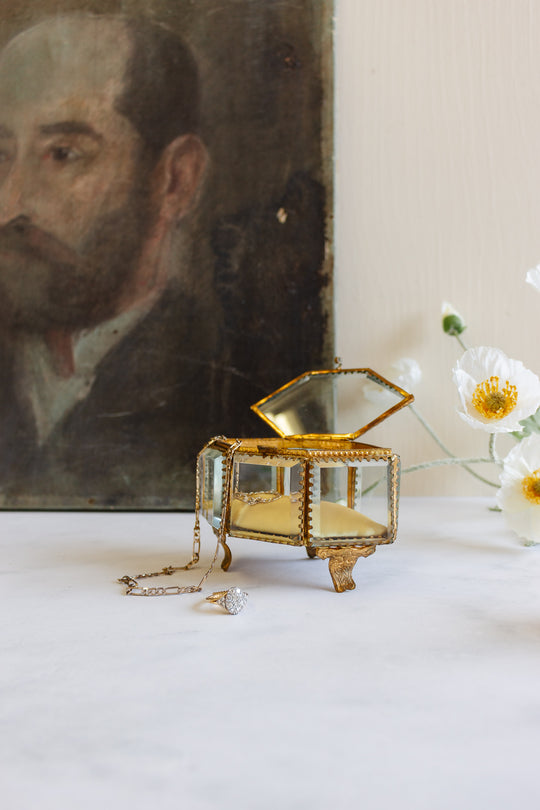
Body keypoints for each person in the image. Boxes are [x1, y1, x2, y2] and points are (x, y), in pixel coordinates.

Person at [0, 12, 230, 507]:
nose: (10, 204)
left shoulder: (226, 383)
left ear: (175, 180)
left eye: (63, 154)